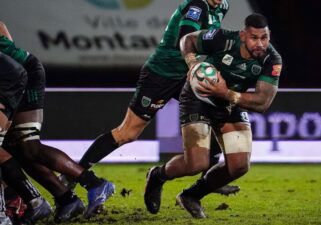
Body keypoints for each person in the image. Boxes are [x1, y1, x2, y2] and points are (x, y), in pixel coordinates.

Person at [61, 0, 239, 203]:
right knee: (127, 133)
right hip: (160, 75)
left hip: (186, 78)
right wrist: (194, 62)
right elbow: (186, 35)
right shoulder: (196, 6)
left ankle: (209, 180)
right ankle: (72, 175)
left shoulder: (222, 6)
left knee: (216, 113)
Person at [144, 13, 282, 218]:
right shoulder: (223, 38)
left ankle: (191, 195)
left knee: (239, 166)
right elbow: (188, 39)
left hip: (230, 101)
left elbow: (262, 102)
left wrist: (225, 94)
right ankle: (157, 176)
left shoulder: (272, 60)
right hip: (198, 100)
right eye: (254, 38)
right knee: (196, 164)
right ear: (243, 35)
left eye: (265, 38)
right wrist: (192, 63)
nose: (260, 44)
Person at [0, 21, 115, 222]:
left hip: (17, 75)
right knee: (23, 147)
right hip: (20, 71)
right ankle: (67, 198)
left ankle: (89, 186)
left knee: (22, 146)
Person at [0, 52, 53, 224]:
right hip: (13, 78)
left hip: (8, 81)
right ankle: (30, 200)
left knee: (24, 146)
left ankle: (3, 215)